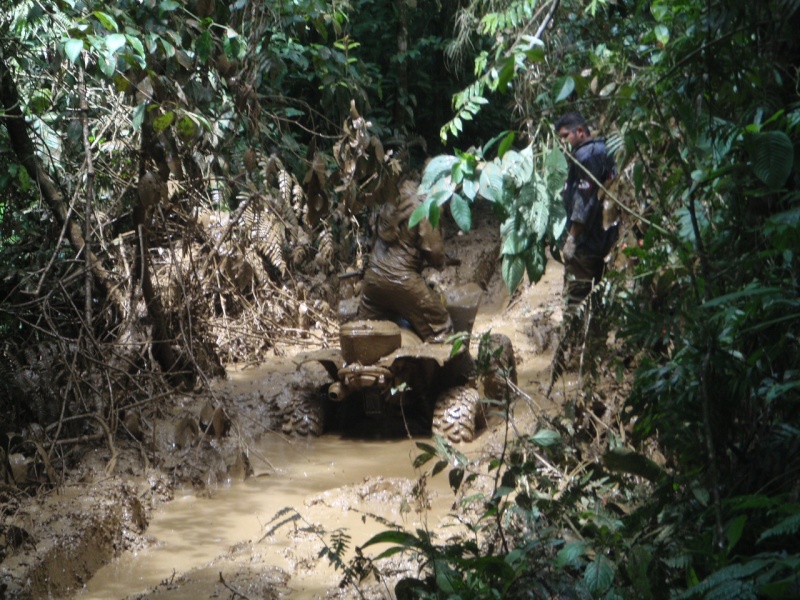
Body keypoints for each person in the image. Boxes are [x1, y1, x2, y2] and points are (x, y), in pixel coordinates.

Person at [357, 176, 453, 342]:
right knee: (441, 329)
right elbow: (435, 251)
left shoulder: (399, 189)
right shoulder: (429, 201)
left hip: (373, 278)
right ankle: (456, 368)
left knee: (365, 335)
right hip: (403, 279)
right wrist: (441, 262)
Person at [555, 112, 618, 309]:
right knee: (599, 296)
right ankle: (594, 337)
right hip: (608, 237)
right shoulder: (605, 149)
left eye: (565, 136)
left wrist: (572, 238)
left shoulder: (586, 155)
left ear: (580, 132)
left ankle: (574, 338)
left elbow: (584, 201)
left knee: (577, 295)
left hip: (588, 241)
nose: (563, 142)